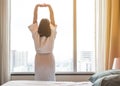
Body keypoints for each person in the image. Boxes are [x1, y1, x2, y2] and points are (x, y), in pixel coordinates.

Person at [28, 3, 57, 81]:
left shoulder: (36, 34)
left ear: (39, 26)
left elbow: (34, 19)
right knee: (50, 79)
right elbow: (52, 18)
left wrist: (36, 6)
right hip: (49, 58)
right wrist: (49, 7)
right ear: (49, 26)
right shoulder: (52, 33)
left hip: (39, 59)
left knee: (39, 79)